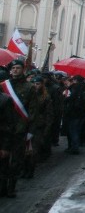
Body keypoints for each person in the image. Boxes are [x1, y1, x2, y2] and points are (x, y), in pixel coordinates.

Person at [2, 59, 34, 197]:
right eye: (13, 68)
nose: (15, 70)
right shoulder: (4, 85)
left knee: (16, 161)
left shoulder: (29, 87)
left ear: (23, 70)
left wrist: (30, 131)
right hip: (4, 129)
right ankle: (2, 187)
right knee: (3, 160)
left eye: (18, 68)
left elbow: (33, 110)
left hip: (20, 128)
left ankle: (11, 188)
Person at [22, 75, 53, 177]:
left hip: (38, 126)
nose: (35, 86)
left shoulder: (45, 97)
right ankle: (24, 169)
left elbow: (49, 114)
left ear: (42, 85)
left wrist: (47, 129)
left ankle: (30, 170)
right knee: (23, 150)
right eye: (34, 83)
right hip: (26, 125)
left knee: (33, 151)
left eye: (38, 84)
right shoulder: (28, 95)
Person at [62, 75, 85, 155]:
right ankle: (75, 146)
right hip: (81, 112)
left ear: (75, 80)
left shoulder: (75, 88)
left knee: (73, 130)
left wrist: (65, 98)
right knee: (76, 130)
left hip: (73, 112)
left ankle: (74, 147)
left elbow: (71, 98)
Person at [0, 68, 18, 197]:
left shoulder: (5, 100)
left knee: (2, 168)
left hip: (1, 140)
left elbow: (9, 125)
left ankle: (4, 189)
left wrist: (5, 146)